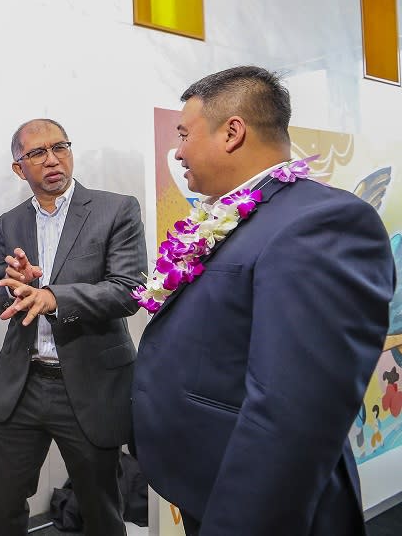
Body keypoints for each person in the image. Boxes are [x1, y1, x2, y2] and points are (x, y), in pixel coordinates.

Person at [132, 66, 396, 535]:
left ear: (232, 132)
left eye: (184, 134)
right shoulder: (240, 215)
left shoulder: (321, 223)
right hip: (208, 482)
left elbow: (292, 415)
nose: (178, 151)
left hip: (257, 506)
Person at [0, 118, 147, 536]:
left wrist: (55, 297)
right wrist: (14, 288)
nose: (53, 159)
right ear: (20, 168)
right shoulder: (11, 222)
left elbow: (130, 290)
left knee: (100, 512)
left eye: (61, 147)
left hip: (91, 387)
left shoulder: (116, 209)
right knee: (2, 507)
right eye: (37, 153)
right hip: (21, 385)